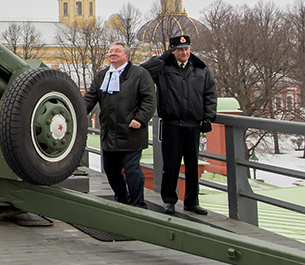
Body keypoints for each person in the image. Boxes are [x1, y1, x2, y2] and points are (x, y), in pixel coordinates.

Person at [141, 34, 217, 215]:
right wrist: (161, 58)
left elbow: (210, 93)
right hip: (172, 123)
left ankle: (192, 201)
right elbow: (143, 72)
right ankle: (169, 201)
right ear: (173, 51)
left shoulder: (200, 69)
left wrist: (208, 117)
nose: (184, 53)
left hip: (193, 124)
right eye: (180, 50)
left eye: (187, 49)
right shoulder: (163, 67)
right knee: (171, 165)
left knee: (192, 165)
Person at [83, 42, 156, 208]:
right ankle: (122, 199)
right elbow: (90, 98)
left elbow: (149, 100)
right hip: (110, 132)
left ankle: (138, 203)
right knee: (111, 170)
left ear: (127, 56)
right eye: (111, 51)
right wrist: (76, 112)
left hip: (131, 131)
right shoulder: (102, 75)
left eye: (117, 51)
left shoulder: (139, 74)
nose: (112, 54)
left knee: (132, 170)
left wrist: (140, 118)